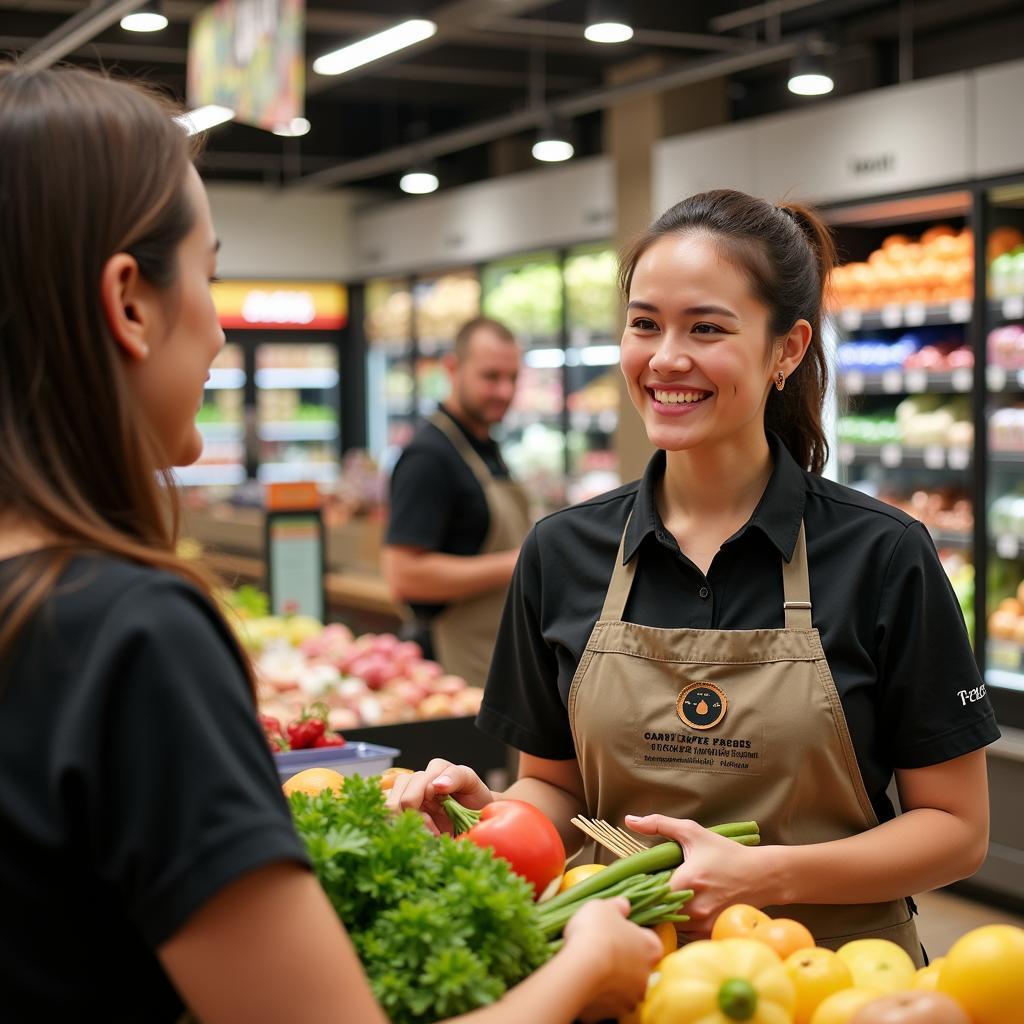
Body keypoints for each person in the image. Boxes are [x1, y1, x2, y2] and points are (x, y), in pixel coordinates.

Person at [0, 63, 661, 1023]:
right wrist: (590, 963)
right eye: (211, 276)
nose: (222, 335)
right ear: (129, 303)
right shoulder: (127, 632)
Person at [390, 189, 1001, 966]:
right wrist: (499, 818)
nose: (665, 357)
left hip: (831, 983)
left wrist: (766, 875)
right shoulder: (561, 552)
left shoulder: (884, 555)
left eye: (706, 328)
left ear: (787, 349)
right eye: (645, 324)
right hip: (618, 974)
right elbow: (554, 788)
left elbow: (957, 831)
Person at [382, 317, 531, 685]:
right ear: (452, 368)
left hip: (497, 656)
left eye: (512, 378)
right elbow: (403, 575)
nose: (503, 391)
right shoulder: (428, 457)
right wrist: (520, 562)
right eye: (490, 376)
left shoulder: (484, 448)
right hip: (453, 666)